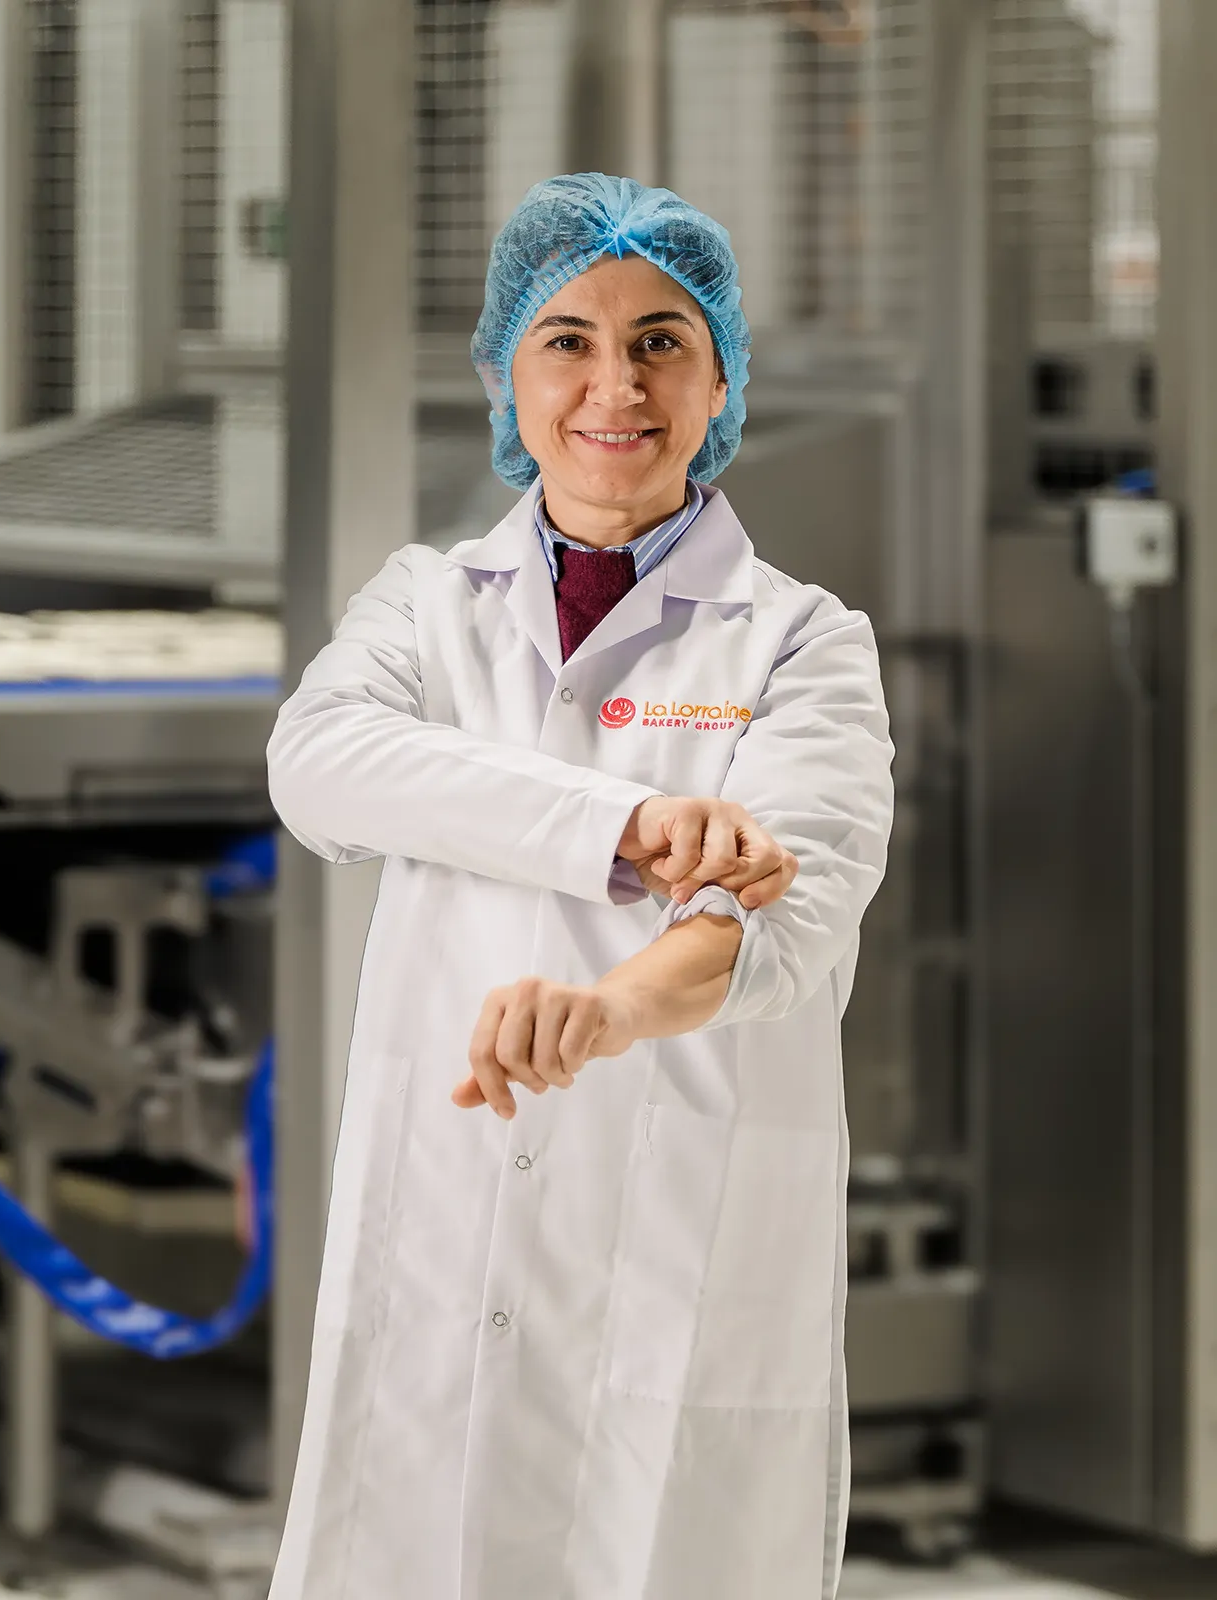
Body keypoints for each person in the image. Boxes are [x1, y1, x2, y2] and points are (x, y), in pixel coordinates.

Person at [257, 172, 896, 1597]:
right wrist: (636, 825)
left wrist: (608, 1013)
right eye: (570, 340)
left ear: (722, 374)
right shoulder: (427, 607)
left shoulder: (803, 644)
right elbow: (322, 766)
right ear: (509, 372)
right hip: (448, 1222)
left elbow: (776, 925)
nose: (617, 384)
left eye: (662, 341)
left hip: (679, 1243)